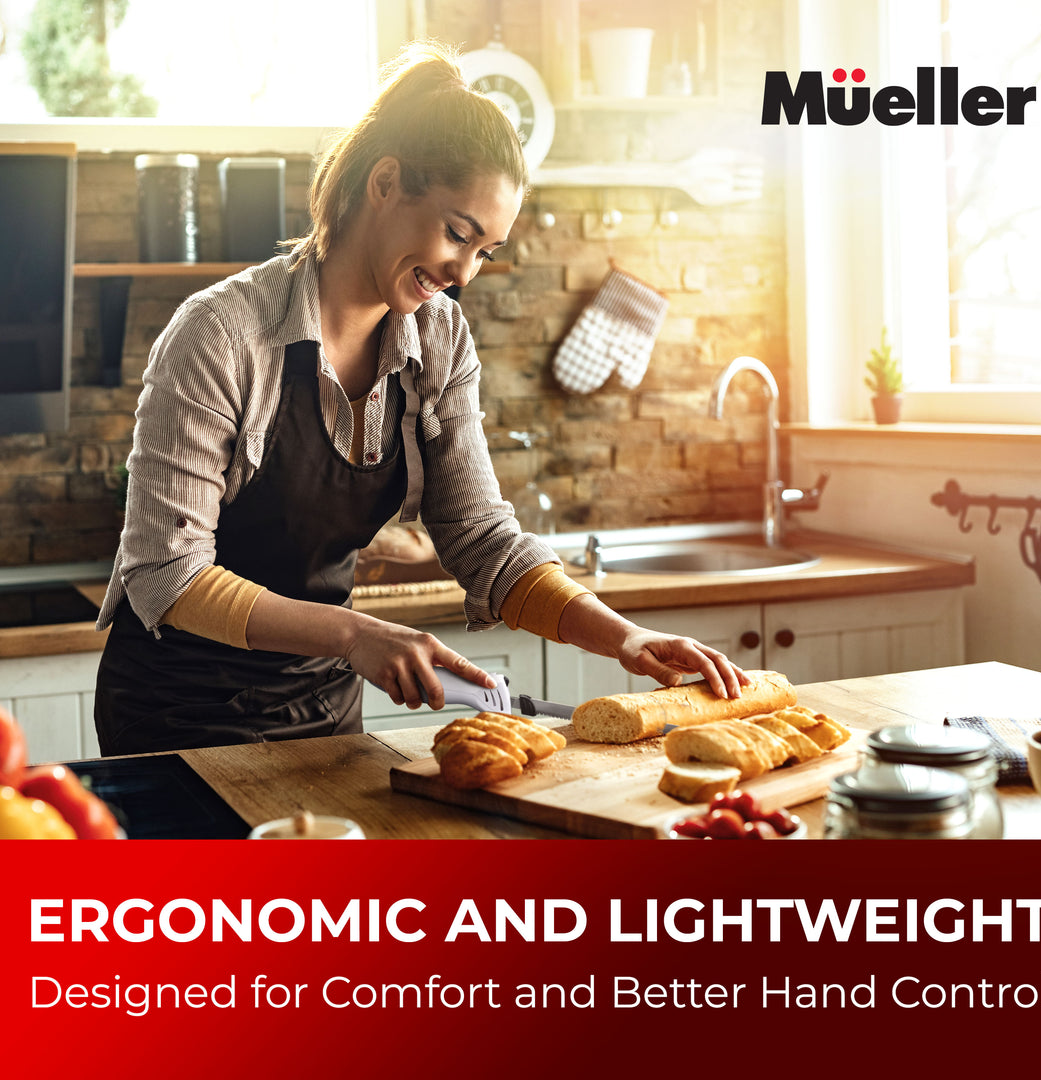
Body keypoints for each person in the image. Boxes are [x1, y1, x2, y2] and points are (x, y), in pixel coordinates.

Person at [94, 41, 748, 757]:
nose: (462, 271)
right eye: (457, 233)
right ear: (384, 183)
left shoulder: (437, 339)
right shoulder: (221, 335)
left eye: (485, 251)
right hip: (177, 716)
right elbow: (166, 572)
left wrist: (624, 636)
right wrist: (355, 634)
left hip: (323, 709)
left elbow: (480, 537)